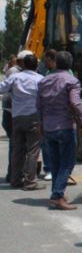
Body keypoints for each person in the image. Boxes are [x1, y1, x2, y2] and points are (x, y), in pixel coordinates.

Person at [37, 51, 82, 209]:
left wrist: (41, 124)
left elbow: (39, 106)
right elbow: (75, 103)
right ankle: (58, 196)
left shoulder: (44, 81)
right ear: (70, 64)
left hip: (48, 127)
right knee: (67, 163)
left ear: (55, 63)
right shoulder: (71, 81)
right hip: (65, 127)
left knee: (56, 163)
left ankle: (56, 192)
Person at [0, 53, 45, 190]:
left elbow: (1, 88)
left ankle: (15, 180)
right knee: (32, 151)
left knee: (17, 150)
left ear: (23, 65)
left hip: (17, 118)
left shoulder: (15, 77)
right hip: (34, 118)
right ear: (36, 65)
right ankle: (30, 181)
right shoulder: (41, 79)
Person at [2, 51, 31, 183]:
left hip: (14, 113)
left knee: (17, 145)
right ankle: (14, 174)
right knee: (17, 146)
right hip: (13, 113)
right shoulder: (15, 72)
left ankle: (15, 174)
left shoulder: (17, 72)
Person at [39, 49, 58, 181]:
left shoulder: (62, 74)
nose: (44, 62)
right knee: (47, 143)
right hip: (50, 115)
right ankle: (50, 168)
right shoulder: (47, 73)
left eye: (45, 59)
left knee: (50, 143)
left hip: (55, 115)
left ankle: (54, 169)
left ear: (51, 60)